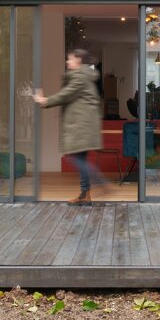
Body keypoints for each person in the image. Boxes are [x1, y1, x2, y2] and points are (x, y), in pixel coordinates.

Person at [34, 49, 104, 205]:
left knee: (74, 158)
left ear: (78, 60)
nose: (67, 62)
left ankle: (99, 181)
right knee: (80, 158)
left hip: (81, 126)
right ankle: (85, 195)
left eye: (70, 59)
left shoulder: (81, 77)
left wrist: (45, 101)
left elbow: (66, 94)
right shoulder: (84, 76)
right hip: (83, 124)